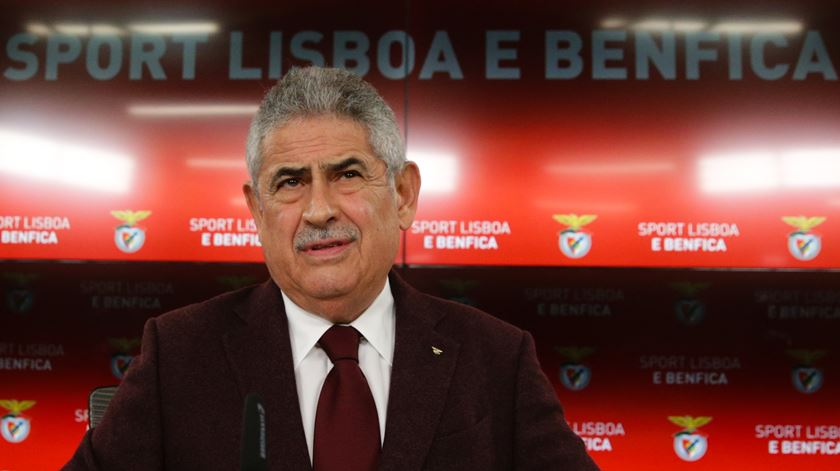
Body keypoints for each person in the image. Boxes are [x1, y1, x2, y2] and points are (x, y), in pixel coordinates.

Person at [64, 66, 599, 470]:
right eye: (290, 182)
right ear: (256, 210)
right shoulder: (177, 353)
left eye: (347, 174)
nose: (319, 210)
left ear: (405, 194)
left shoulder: (499, 359)